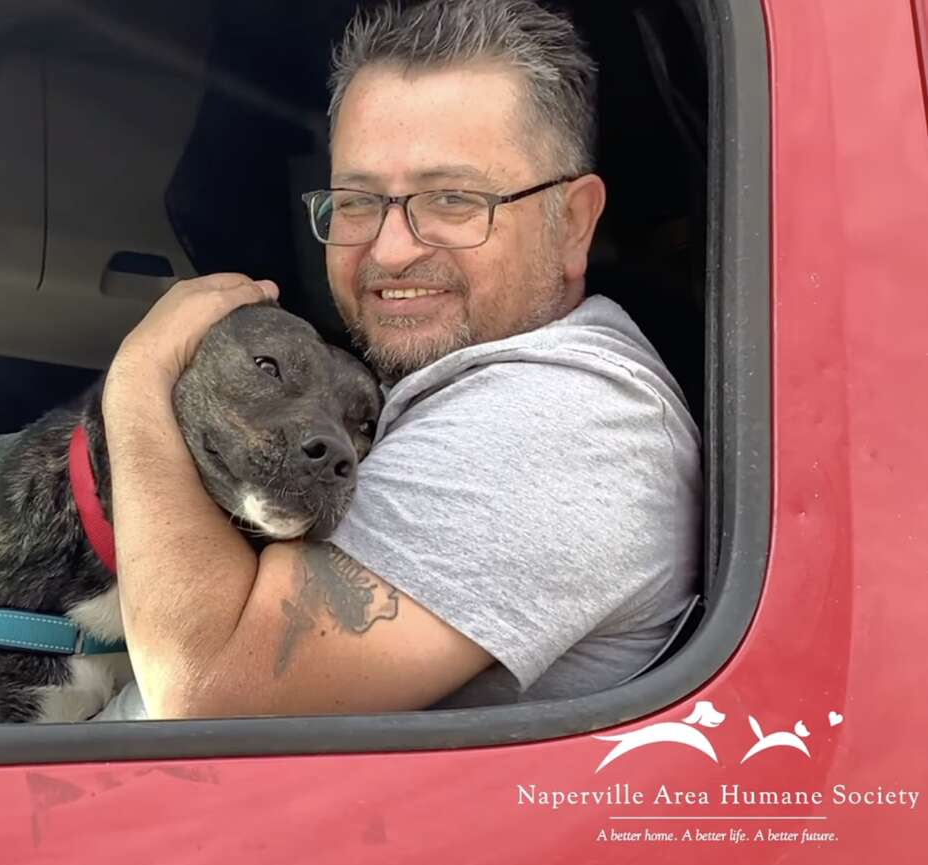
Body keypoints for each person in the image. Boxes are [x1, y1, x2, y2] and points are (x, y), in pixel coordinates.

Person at [94, 0, 701, 719]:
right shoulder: (452, 394)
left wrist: (137, 379)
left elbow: (205, 698)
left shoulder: (569, 418)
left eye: (451, 199)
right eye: (357, 202)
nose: (390, 249)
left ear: (570, 224)